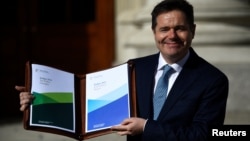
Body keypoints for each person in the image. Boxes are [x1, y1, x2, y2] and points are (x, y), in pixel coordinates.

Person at [16, 0, 229, 141]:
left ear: (193, 31)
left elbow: (205, 134)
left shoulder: (213, 80)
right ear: (154, 32)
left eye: (180, 28)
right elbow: (84, 105)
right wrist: (39, 101)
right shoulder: (135, 68)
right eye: (164, 29)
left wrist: (146, 128)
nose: (171, 35)